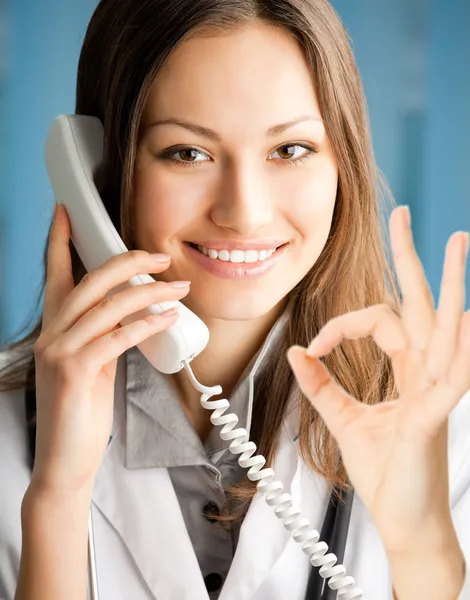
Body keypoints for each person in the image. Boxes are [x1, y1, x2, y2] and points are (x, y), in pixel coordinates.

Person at [0, 0, 469, 598]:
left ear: (342, 163)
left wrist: (420, 541)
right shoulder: (11, 436)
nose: (244, 211)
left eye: (290, 149)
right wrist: (57, 498)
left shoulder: (446, 423)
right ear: (101, 173)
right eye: (187, 153)